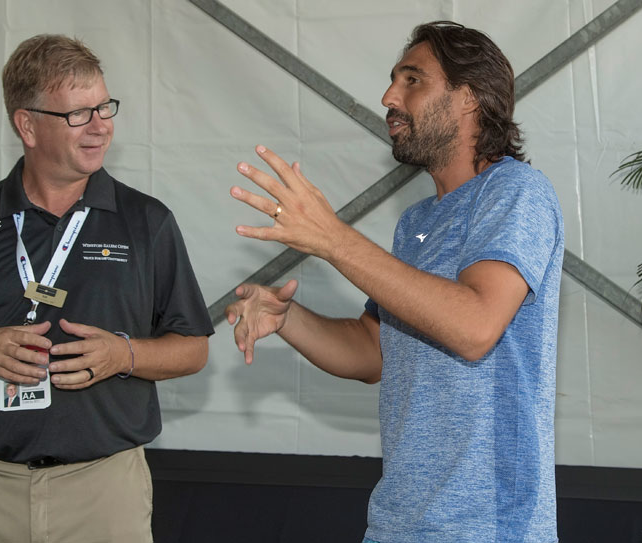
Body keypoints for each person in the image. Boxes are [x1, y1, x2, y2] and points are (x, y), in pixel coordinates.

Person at [225, 21, 563, 543]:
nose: (389, 97)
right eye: (392, 80)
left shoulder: (517, 193)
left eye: (412, 80)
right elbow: (373, 350)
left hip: (486, 529)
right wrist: (287, 318)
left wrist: (333, 238)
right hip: (398, 525)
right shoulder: (415, 223)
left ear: (469, 97)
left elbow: (475, 326)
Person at [0, 34, 213, 543]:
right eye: (78, 114)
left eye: (104, 107)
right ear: (27, 125)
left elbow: (193, 348)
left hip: (103, 492)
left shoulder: (146, 222)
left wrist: (123, 355)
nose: (101, 126)